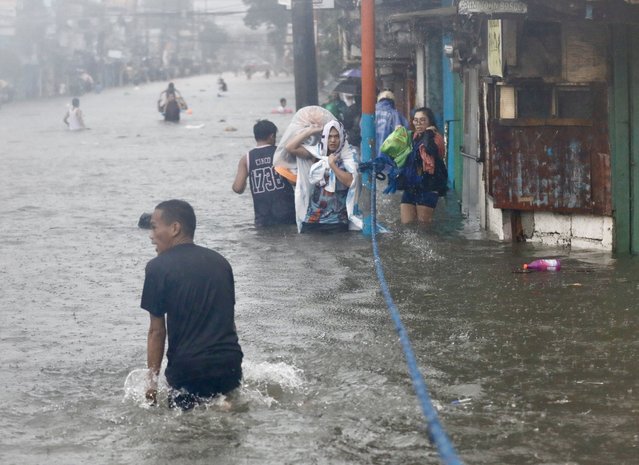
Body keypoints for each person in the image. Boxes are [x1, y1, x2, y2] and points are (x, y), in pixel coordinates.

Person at [141, 200, 243, 410]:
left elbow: (157, 332)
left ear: (175, 228)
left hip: (189, 371)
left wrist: (151, 388)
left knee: (184, 433)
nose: (151, 235)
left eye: (154, 227)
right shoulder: (221, 262)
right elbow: (229, 323)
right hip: (229, 365)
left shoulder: (157, 268)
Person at [285, 119, 359, 232]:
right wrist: (311, 131)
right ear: (324, 137)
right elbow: (290, 147)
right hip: (313, 219)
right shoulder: (317, 153)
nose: (333, 140)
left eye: (336, 136)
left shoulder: (349, 156)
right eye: (329, 136)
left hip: (337, 221)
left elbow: (350, 181)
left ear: (342, 137)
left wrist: (332, 165)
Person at [232, 120, 296, 227]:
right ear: (272, 136)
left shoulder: (246, 159)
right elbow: (292, 181)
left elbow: (237, 188)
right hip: (287, 215)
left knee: (264, 242)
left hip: (263, 219)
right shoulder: (280, 153)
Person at [399, 107, 448, 224]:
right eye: (415, 120)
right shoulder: (414, 137)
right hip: (411, 185)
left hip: (428, 185)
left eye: (422, 120)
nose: (418, 124)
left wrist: (428, 133)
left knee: (424, 226)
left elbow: (431, 150)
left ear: (429, 121)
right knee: (406, 224)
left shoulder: (436, 138)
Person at [375, 90, 409, 158]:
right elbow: (403, 135)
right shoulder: (396, 115)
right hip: (388, 158)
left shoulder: (369, 115)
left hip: (371, 156)